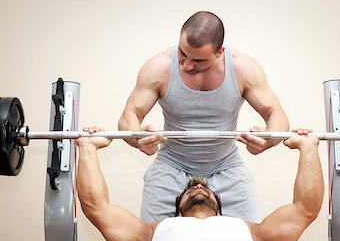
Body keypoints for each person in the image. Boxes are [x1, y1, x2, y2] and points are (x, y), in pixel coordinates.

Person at [76, 127, 323, 241]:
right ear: (177, 211)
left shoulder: (253, 235)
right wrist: (87, 147)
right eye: (189, 190)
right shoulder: (153, 236)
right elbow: (97, 208)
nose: (198, 184)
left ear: (220, 207)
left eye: (204, 189)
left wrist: (308, 147)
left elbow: (305, 209)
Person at [118, 11, 289, 224]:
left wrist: (268, 140)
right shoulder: (158, 68)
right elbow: (129, 115)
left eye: (198, 60)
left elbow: (277, 115)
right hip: (171, 164)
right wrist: (137, 138)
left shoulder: (243, 69)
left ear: (220, 52)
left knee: (249, 240)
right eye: (182, 53)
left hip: (226, 165)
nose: (187, 65)